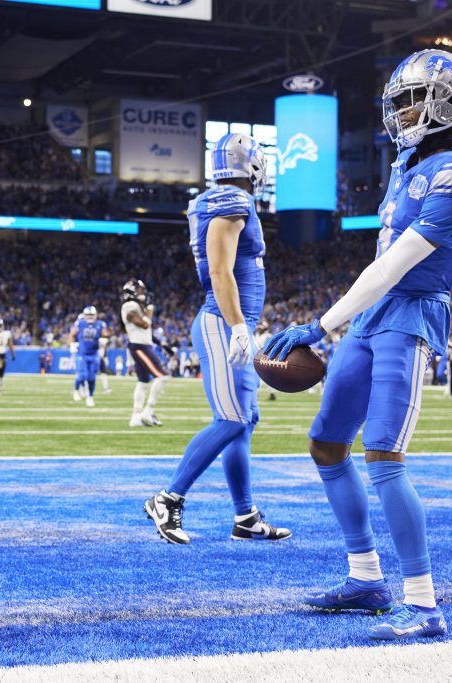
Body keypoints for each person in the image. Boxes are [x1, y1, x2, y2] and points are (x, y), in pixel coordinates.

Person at [265, 49, 452, 640]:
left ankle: (425, 605)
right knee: (326, 444)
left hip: (411, 314)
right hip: (373, 317)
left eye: (414, 99)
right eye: (401, 101)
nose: (404, 111)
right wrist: (340, 321)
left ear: (447, 104)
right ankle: (366, 578)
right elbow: (378, 269)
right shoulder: (407, 167)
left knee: (385, 455)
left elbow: (396, 264)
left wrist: (322, 325)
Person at [145, 133, 290, 545]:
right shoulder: (231, 200)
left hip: (232, 322)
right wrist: (240, 326)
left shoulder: (231, 200)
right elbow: (220, 271)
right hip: (221, 322)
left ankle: (245, 517)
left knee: (245, 423)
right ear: (252, 163)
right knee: (232, 419)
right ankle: (167, 498)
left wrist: (245, 327)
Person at [121, 279, 167, 427]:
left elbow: (145, 330)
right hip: (140, 346)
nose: (142, 293)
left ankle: (135, 417)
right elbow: (144, 323)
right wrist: (150, 309)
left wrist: (162, 344)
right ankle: (148, 410)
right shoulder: (130, 306)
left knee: (143, 382)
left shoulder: (135, 305)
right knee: (161, 376)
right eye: (140, 290)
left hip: (141, 345)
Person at [69, 305, 109, 407]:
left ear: (95, 315)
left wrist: (104, 340)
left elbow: (106, 335)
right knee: (82, 375)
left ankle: (90, 396)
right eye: (88, 315)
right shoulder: (80, 324)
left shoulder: (100, 324)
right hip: (82, 354)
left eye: (92, 315)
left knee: (92, 378)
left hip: (94, 354)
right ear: (84, 315)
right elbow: (72, 335)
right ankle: (76, 390)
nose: (90, 317)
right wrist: (72, 344)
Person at [253, 319, 276, 400]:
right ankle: (255, 393)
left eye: (261, 328)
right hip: (257, 357)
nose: (259, 329)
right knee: (256, 376)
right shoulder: (256, 335)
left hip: (266, 357)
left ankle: (272, 393)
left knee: (268, 377)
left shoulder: (268, 336)